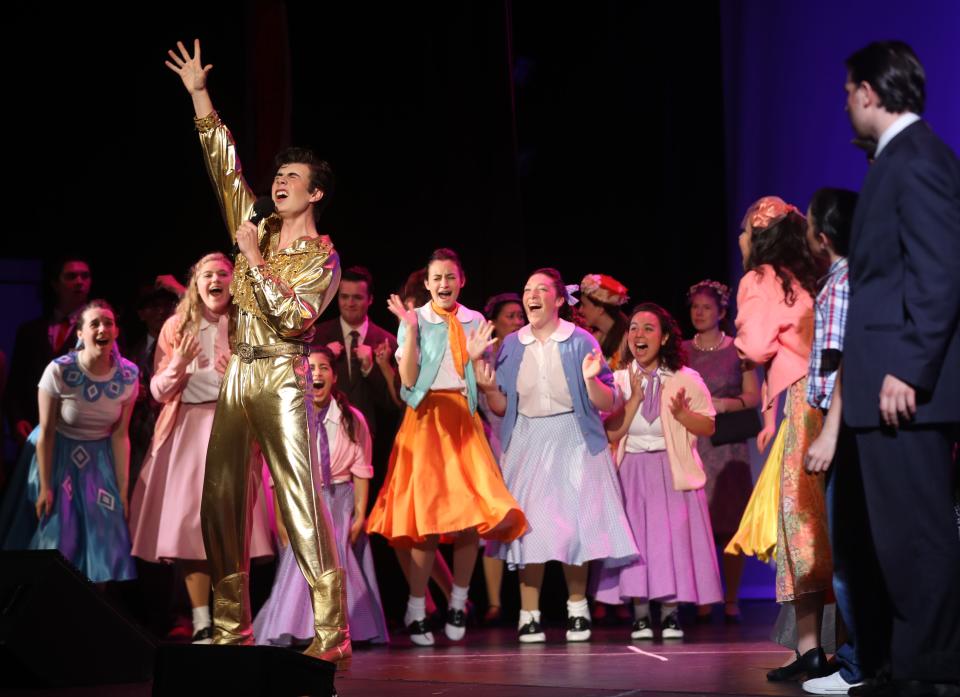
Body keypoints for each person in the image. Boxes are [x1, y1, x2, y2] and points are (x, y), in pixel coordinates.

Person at [165, 40, 348, 666]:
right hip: (238, 372)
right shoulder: (259, 225)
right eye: (279, 175)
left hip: (282, 374)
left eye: (293, 178)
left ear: (316, 194)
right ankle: (228, 625)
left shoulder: (321, 255)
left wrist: (251, 258)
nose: (279, 182)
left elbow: (294, 315)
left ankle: (332, 631)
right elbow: (225, 167)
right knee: (220, 499)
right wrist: (199, 95)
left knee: (298, 499)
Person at [840, 41, 960, 697]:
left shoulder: (917, 160)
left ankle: (934, 666)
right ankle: (912, 662)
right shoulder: (898, 160)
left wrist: (910, 367)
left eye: (847, 92)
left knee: (919, 532)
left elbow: (939, 271)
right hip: (885, 387)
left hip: (905, 387)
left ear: (867, 92)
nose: (846, 105)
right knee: (894, 537)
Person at [366, 248, 526, 646]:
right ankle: (417, 606)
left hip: (462, 418)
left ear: (462, 280)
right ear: (427, 282)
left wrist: (474, 359)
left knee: (469, 517)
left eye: (450, 277)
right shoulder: (414, 319)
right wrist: (411, 331)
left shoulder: (475, 320)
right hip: (424, 419)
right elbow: (407, 384)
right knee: (427, 523)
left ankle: (458, 598)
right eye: (437, 278)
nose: (443, 284)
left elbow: (482, 378)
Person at [481, 268, 638, 644]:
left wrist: (588, 380)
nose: (531, 295)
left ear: (557, 300)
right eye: (526, 289)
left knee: (575, 527)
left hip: (573, 436)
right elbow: (503, 406)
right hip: (528, 437)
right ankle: (529, 612)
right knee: (528, 528)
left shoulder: (580, 341)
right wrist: (487, 389)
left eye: (540, 289)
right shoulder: (512, 346)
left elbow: (609, 400)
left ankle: (577, 608)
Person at [128, 252, 274, 644]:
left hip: (233, 428)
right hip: (189, 432)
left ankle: (234, 615)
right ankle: (200, 619)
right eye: (207, 274)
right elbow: (158, 391)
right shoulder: (178, 325)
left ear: (234, 281)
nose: (215, 280)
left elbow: (266, 391)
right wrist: (177, 362)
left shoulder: (247, 324)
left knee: (233, 525)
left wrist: (237, 376)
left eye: (222, 274)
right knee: (192, 529)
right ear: (195, 283)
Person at [726, 196, 831, 683]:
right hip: (830, 397)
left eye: (745, 231)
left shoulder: (762, 279)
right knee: (828, 521)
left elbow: (754, 345)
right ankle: (834, 646)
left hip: (802, 401)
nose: (741, 239)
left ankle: (812, 649)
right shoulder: (812, 273)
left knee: (800, 524)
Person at [595, 303, 722, 641]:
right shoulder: (618, 379)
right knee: (635, 545)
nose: (639, 335)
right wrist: (634, 399)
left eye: (649, 328)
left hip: (671, 471)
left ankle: (669, 613)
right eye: (634, 328)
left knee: (670, 543)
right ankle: (639, 614)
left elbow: (708, 425)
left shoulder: (685, 379)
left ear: (664, 337)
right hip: (631, 472)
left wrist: (682, 415)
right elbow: (610, 433)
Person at [255, 347, 389, 646]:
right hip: (304, 502)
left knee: (339, 563)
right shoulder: (289, 420)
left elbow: (362, 470)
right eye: (310, 368)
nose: (316, 373)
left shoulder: (351, 419)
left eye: (323, 368)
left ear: (334, 375)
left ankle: (344, 627)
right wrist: (280, 520)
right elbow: (280, 477)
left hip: (340, 501)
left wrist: (360, 513)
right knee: (302, 565)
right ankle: (301, 628)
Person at [29, 300, 139, 584]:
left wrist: (122, 492)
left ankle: (93, 614)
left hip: (100, 456)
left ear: (116, 331)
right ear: (80, 333)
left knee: (104, 532)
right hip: (59, 452)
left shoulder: (128, 375)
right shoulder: (59, 370)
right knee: (61, 532)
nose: (103, 329)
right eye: (94, 324)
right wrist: (45, 486)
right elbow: (47, 432)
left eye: (108, 323)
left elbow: (120, 435)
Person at [682, 280, 760, 623]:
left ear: (722, 312)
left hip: (726, 447)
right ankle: (701, 596)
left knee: (728, 523)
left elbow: (752, 396)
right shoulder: (682, 350)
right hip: (691, 441)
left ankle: (730, 598)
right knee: (695, 524)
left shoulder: (737, 350)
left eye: (707, 307)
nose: (699, 313)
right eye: (695, 307)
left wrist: (722, 404)